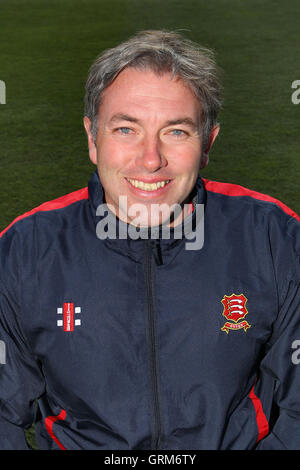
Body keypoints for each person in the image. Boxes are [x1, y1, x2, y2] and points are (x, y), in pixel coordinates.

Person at [0, 30, 299, 451]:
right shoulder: (24, 251)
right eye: (126, 129)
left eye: (176, 132)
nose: (151, 159)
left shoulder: (275, 237)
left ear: (208, 143)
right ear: (92, 138)